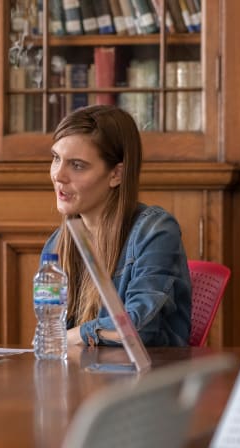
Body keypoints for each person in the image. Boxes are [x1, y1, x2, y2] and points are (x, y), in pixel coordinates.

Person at [42, 105, 191, 347]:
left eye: (77, 165)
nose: (58, 175)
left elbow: (137, 328)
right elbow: (48, 334)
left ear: (116, 174)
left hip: (147, 382)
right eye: (56, 158)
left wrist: (76, 335)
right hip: (83, 380)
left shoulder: (155, 231)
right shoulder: (55, 246)